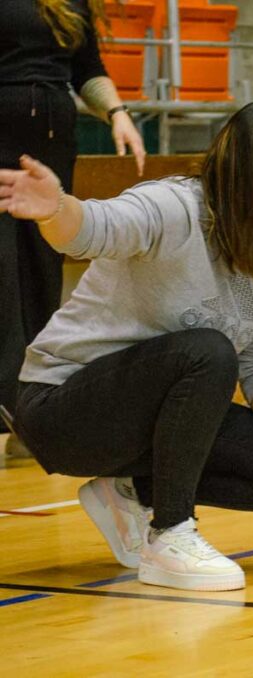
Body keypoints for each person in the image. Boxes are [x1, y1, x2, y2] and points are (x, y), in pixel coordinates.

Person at [0, 101, 253, 592]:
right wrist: (56, 208)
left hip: (139, 417)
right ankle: (169, 533)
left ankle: (131, 485)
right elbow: (92, 228)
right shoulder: (173, 207)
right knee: (208, 352)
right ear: (241, 168)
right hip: (60, 408)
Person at [2, 0, 146, 459]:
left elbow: (87, 68)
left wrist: (117, 113)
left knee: (42, 275)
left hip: (52, 142)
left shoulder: (72, 2)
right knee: (3, 278)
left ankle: (34, 413)